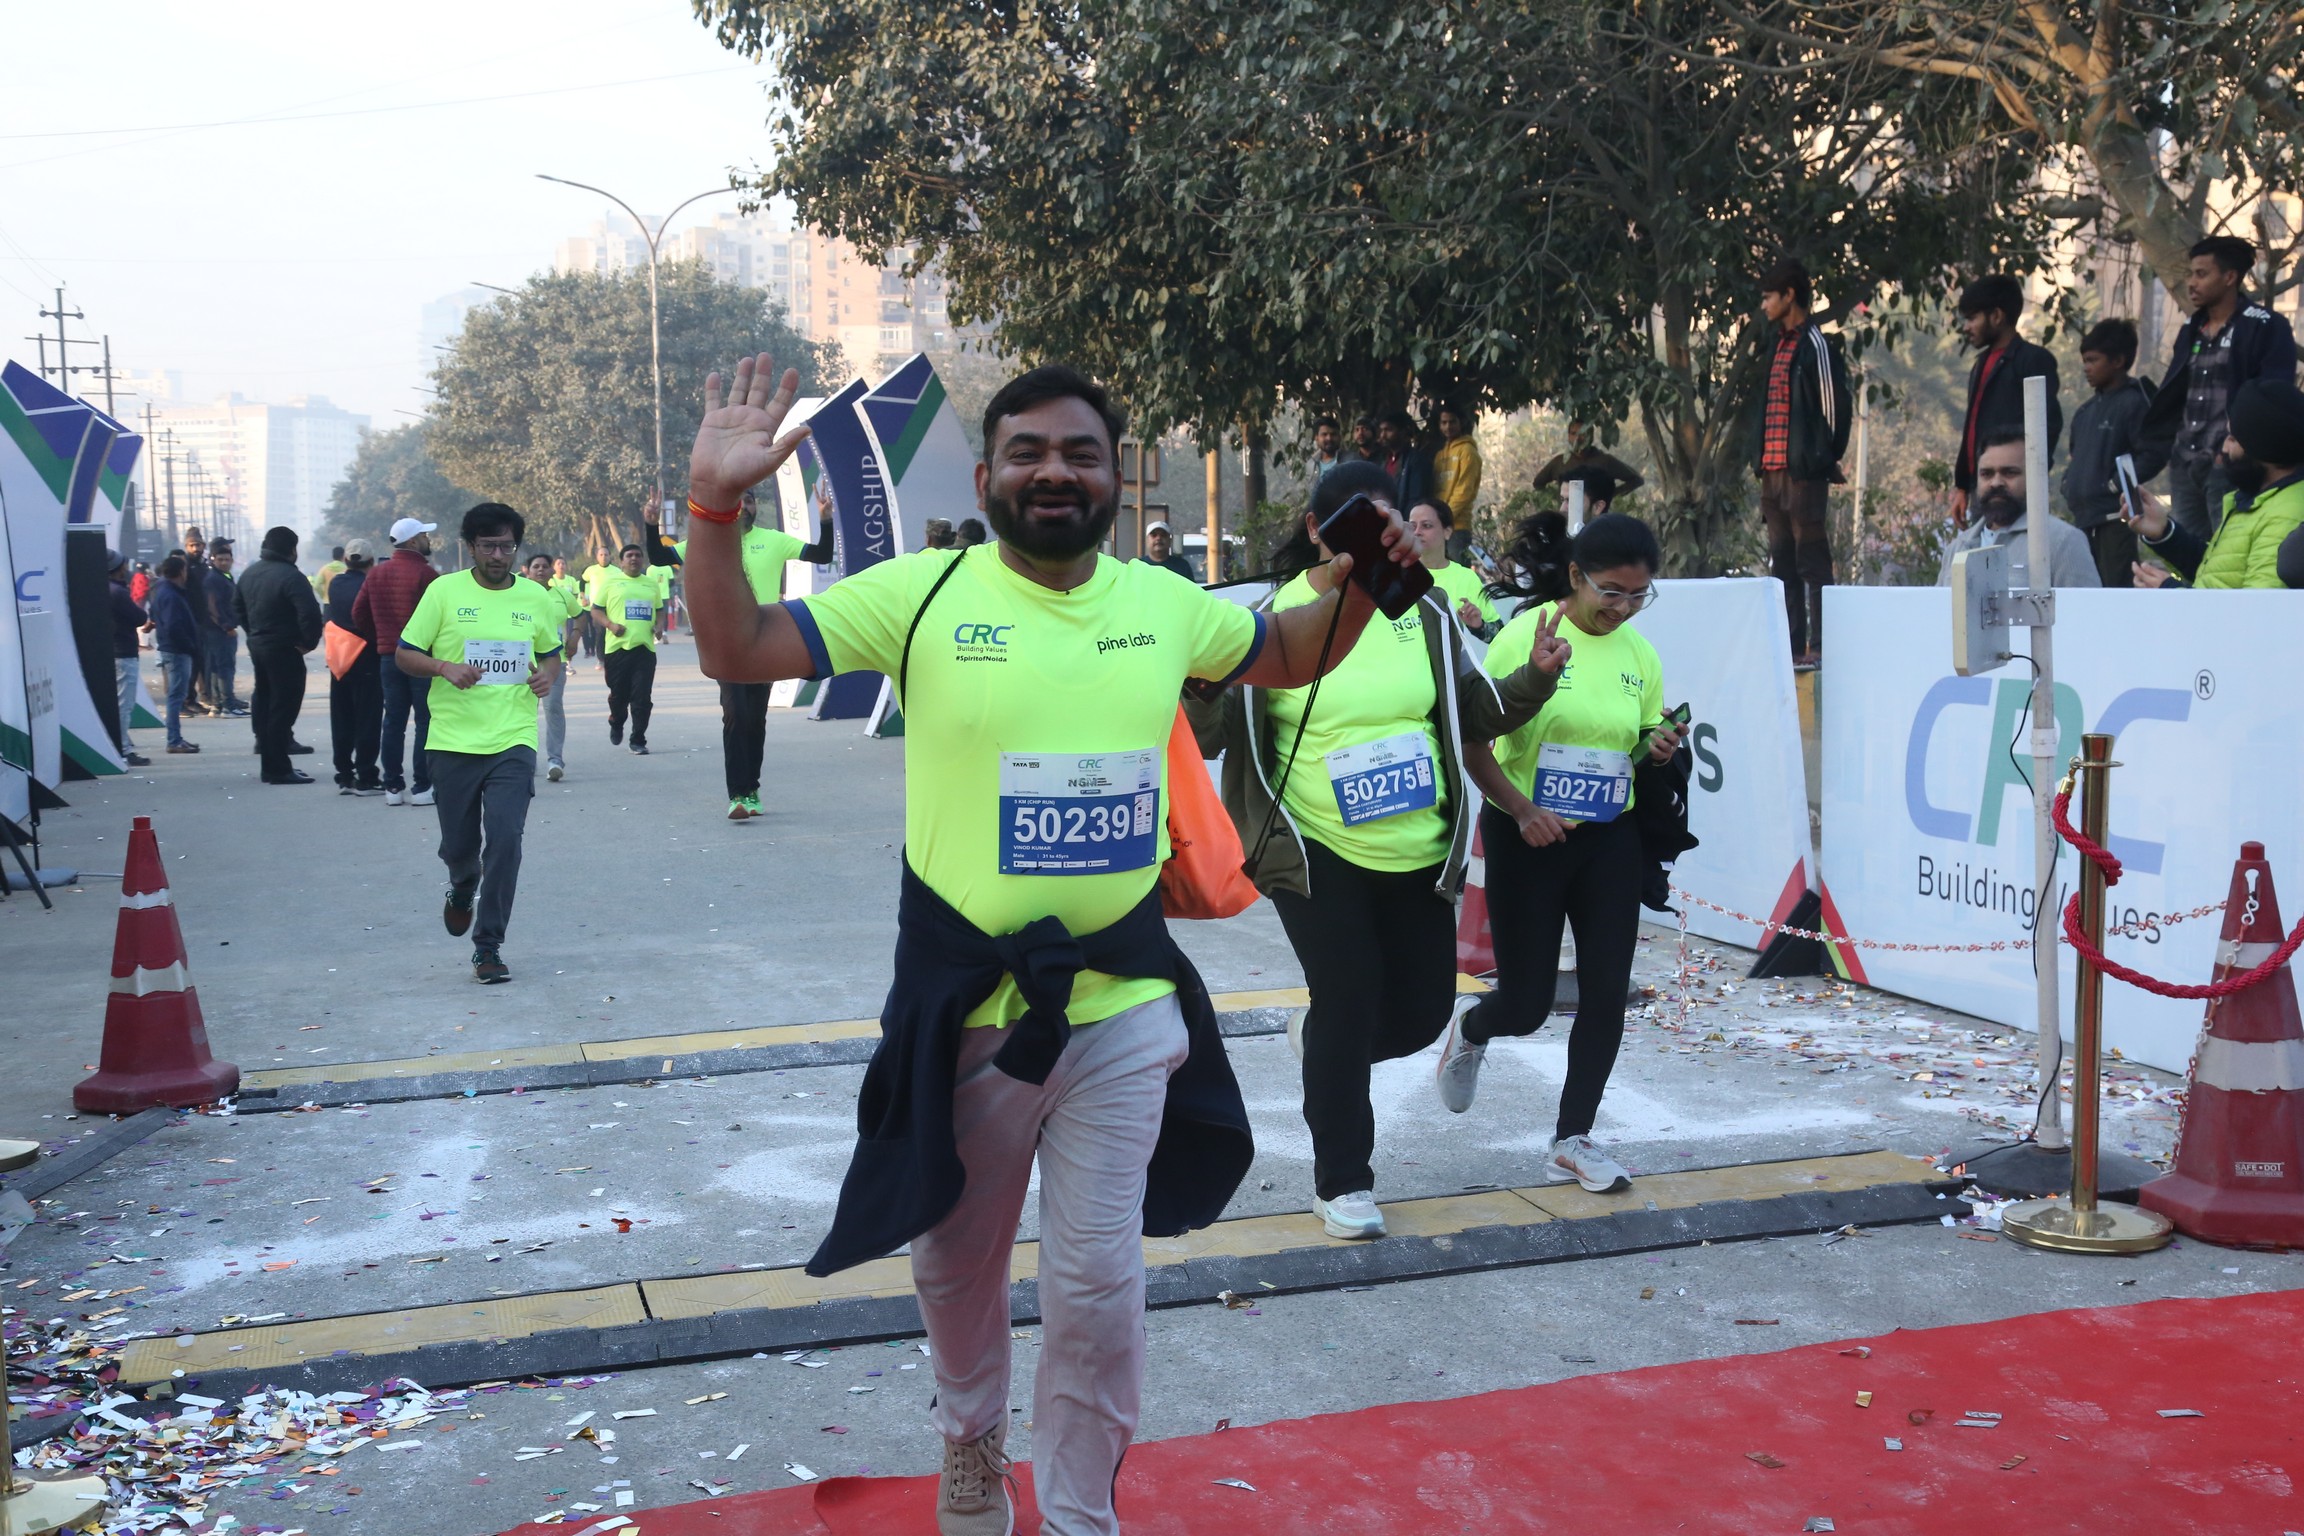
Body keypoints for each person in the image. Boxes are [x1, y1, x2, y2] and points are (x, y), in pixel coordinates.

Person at [683, 356, 1421, 1536]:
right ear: (987, 476)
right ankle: (972, 1439)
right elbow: (736, 648)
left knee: (1096, 1280)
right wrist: (715, 508)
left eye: (1080, 453)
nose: (1053, 471)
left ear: (1116, 478)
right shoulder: (921, 593)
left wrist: (1368, 582)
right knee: (957, 1261)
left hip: (1121, 1005)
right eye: (1026, 452)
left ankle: (1080, 1511)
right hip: (968, 1008)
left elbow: (1285, 651)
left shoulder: (1162, 603)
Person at [1189, 461, 1565, 1239]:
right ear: (1319, 532)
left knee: (1421, 1013)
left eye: (1394, 525)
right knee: (1349, 994)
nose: (1387, 539)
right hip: (1313, 847)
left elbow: (1477, 712)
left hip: (1418, 850)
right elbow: (1209, 737)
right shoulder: (1270, 620)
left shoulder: (1426, 613)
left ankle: (1322, 1038)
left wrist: (1534, 677)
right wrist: (1199, 684)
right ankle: (1344, 1181)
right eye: (1367, 525)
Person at [1435, 512, 1685, 1194]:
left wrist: (1658, 747)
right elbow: (1474, 741)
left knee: (1606, 994)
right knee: (1527, 1004)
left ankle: (1572, 1139)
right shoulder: (1526, 637)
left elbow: (1638, 742)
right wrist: (1522, 810)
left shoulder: (1640, 655)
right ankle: (1473, 1029)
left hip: (1609, 837)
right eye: (1611, 591)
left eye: (1638, 595)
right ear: (1575, 576)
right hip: (1527, 836)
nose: (1623, 608)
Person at [395, 503, 563, 984]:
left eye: (507, 546)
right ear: (470, 547)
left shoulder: (534, 596)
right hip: (452, 741)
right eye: (488, 546)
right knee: (461, 848)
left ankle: (488, 946)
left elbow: (550, 655)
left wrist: (546, 677)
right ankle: (462, 884)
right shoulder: (443, 591)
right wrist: (443, 667)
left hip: (513, 739)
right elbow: (405, 654)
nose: (498, 555)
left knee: (506, 839)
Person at [645, 482, 837, 816]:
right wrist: (651, 525)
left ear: (755, 508)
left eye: (749, 502)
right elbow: (661, 557)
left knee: (755, 719)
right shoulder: (708, 542)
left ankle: (752, 789)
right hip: (727, 643)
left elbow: (820, 555)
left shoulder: (773, 540)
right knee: (735, 714)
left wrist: (826, 520)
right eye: (739, 502)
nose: (744, 507)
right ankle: (738, 794)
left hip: (765, 642)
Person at [2138, 235, 2301, 542]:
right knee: (2188, 553)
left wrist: (2234, 452)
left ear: (2229, 277)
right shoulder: (2191, 329)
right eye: (2191, 274)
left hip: (2230, 465)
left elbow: (2274, 399)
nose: (2192, 283)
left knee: (2229, 550)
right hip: (2184, 462)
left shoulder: (2265, 325)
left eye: (2202, 274)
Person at [1753, 257, 1853, 668]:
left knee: (1812, 561)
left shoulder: (1815, 344)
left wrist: (1824, 458)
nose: (1764, 305)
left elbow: (1835, 408)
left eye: (1768, 297)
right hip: (1772, 471)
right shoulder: (1777, 344)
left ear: (1789, 295)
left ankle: (1822, 647)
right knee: (1783, 564)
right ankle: (1792, 649)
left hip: (1803, 473)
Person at [2127, 379, 2304, 589]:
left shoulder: (2287, 515)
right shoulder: (2258, 500)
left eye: (2233, 438)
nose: (2224, 447)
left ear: (2264, 448)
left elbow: (2259, 604)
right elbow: (2220, 573)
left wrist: (2169, 591)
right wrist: (2164, 533)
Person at [1951, 273, 2062, 527]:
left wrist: (2026, 477)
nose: (1966, 327)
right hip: (1982, 487)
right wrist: (1963, 486)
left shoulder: (2032, 360)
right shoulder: (1981, 364)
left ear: (1997, 316)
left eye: (1972, 318)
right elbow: (1973, 427)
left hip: (2013, 491)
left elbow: (2047, 425)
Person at [1936, 429, 2101, 590]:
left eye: (2009, 473)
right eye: (1987, 474)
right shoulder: (1957, 548)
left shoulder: (2063, 542)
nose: (1996, 483)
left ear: (2034, 478)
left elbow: (2085, 607)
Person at [2063, 319, 2157, 589]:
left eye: (2093, 360)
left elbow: (2152, 453)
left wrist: (2117, 484)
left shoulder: (2135, 403)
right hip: (2083, 521)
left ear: (2118, 361)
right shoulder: (2085, 412)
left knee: (2116, 593)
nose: (2086, 367)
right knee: (2083, 592)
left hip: (2117, 522)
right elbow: (2075, 457)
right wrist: (2068, 483)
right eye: (2084, 360)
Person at [352, 517, 440, 806]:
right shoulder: (426, 575)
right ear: (413, 541)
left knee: (393, 721)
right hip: (421, 657)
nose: (428, 540)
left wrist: (381, 638)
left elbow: (358, 614)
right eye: (424, 535)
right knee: (425, 721)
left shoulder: (376, 574)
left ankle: (392, 786)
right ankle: (422, 786)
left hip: (389, 656)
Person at [232, 527, 324, 784]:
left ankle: (271, 763)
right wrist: (307, 643)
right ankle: (279, 768)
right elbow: (309, 613)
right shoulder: (291, 576)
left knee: (265, 702)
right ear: (292, 549)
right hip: (285, 648)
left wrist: (253, 632)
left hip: (259, 645)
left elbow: (236, 606)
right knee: (283, 707)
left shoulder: (250, 573)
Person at [592, 544, 662, 755]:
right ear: (621, 561)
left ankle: (638, 739)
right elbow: (596, 610)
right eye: (629, 555)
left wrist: (659, 626)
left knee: (642, 698)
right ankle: (616, 721)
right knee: (619, 696)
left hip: (644, 649)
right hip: (617, 649)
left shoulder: (651, 584)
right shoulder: (611, 582)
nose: (634, 559)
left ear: (642, 560)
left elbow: (659, 610)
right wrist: (611, 625)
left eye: (638, 555)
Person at [326, 541, 384, 794]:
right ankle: (366, 775)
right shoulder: (371, 585)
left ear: (346, 560)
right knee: (367, 718)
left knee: (342, 717)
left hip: (340, 659)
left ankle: (344, 773)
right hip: (367, 657)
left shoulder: (335, 583)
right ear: (371, 562)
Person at [524, 553, 584, 781]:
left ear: (552, 571)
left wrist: (575, 637)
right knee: (523, 711)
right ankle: (524, 760)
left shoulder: (561, 595)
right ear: (527, 571)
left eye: (544, 566)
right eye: (535, 566)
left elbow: (580, 616)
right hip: (524, 663)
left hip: (554, 662)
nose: (540, 570)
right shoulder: (519, 595)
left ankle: (555, 761)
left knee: (553, 708)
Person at [1406, 496, 1498, 637]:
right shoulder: (1397, 575)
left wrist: (1478, 626)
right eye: (1412, 526)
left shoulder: (1466, 578)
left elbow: (1498, 633)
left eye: (1426, 526)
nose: (1417, 532)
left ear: (1447, 532)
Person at [147, 555, 202, 755]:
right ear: (181, 572)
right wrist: (189, 645)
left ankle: (176, 738)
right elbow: (173, 626)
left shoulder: (162, 590)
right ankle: (174, 740)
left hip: (173, 648)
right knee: (176, 696)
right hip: (177, 650)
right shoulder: (171, 595)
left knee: (176, 694)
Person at [1533, 427, 1644, 517]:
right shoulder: (1560, 462)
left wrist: (1612, 495)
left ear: (1591, 436)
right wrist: (1555, 498)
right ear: (1568, 436)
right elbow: (1538, 483)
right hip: (1567, 519)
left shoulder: (1605, 461)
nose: (1578, 438)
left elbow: (1636, 480)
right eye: (1573, 433)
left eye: (1583, 434)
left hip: (1598, 519)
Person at [106, 549, 150, 767]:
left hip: (112, 650)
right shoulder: (118, 592)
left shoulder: (103, 589)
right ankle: (123, 749)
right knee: (124, 703)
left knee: (118, 702)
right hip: (123, 651)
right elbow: (139, 616)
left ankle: (120, 743)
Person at [199, 538, 249, 718]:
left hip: (217, 630)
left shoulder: (223, 577)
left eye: (227, 559)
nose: (224, 563)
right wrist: (226, 626)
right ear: (213, 559)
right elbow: (213, 606)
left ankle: (218, 704)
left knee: (216, 667)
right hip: (219, 630)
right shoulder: (213, 579)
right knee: (225, 668)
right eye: (220, 559)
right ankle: (228, 706)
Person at [1432, 405, 1483, 525]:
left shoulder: (1467, 451)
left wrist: (1446, 518)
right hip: (1438, 522)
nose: (1448, 427)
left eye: (1452, 422)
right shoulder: (1439, 454)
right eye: (1444, 423)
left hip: (1458, 525)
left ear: (1462, 423)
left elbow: (1464, 490)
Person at [1378, 409, 1434, 509]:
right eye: (1381, 430)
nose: (1383, 435)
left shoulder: (1416, 460)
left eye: (1388, 430)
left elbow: (1416, 499)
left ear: (1402, 432)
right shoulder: (1385, 461)